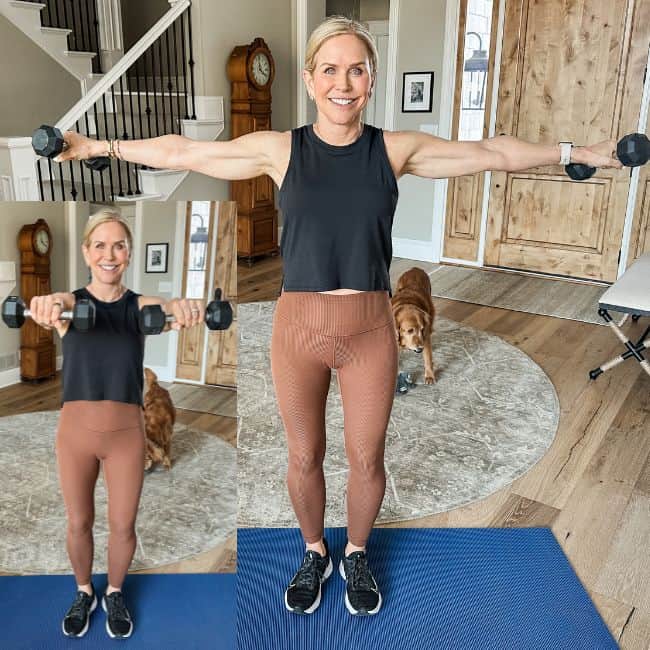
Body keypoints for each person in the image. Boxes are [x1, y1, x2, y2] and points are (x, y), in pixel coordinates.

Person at [56, 17, 622, 616]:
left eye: (356, 69)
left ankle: (354, 550)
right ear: (309, 78)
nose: (343, 83)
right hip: (297, 330)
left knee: (367, 457)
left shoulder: (394, 149)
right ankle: (312, 551)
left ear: (371, 79)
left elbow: (490, 152)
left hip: (370, 330)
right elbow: (186, 150)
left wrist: (574, 153)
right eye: (330, 69)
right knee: (302, 456)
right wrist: (97, 147)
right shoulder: (281, 149)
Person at [30, 211, 205, 638]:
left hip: (127, 433)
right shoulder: (70, 305)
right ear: (87, 252)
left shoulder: (138, 306)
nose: (111, 254)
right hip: (75, 434)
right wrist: (45, 303)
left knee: (123, 524)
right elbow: (59, 302)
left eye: (120, 245)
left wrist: (180, 306)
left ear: (129, 253)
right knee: (78, 522)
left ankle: (114, 592)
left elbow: (163, 307)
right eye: (101, 245)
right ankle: (84, 591)